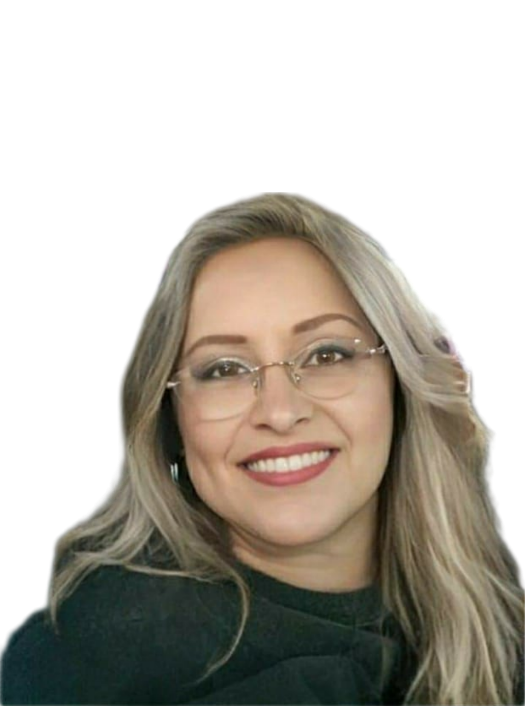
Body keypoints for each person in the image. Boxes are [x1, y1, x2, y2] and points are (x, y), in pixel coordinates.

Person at [2, 193, 524, 705]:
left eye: (326, 355)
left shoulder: (501, 617)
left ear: (401, 385)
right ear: (170, 422)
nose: (279, 411)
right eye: (223, 369)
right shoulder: (73, 664)